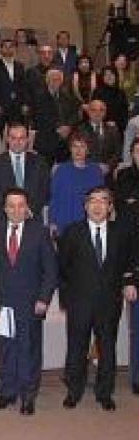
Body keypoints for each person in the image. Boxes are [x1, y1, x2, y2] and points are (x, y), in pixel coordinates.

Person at [59, 186, 137, 411]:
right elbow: (62, 268)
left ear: (110, 207)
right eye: (92, 201)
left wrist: (130, 283)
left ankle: (105, 393)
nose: (97, 205)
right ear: (85, 206)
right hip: (79, 301)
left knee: (107, 347)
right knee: (76, 347)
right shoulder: (72, 232)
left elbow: (130, 262)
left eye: (103, 201)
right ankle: (74, 391)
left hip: (109, 301)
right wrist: (66, 299)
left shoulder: (122, 232)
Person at [0, 188, 57, 416]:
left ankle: (28, 395)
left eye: (21, 205)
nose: (16, 210)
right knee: (6, 348)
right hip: (3, 302)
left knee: (28, 347)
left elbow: (51, 270)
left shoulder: (40, 232)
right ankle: (7, 391)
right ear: (5, 208)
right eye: (11, 205)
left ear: (27, 208)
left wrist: (44, 298)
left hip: (31, 302)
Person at [0, 122, 50, 223]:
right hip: (4, 218)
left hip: (32, 217)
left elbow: (44, 191)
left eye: (22, 138)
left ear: (28, 139)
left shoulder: (40, 162)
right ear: (7, 139)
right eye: (13, 138)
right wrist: (12, 211)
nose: (17, 142)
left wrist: (29, 211)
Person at [115, 139, 139, 394]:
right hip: (136, 269)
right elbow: (126, 237)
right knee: (137, 331)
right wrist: (129, 278)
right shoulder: (124, 177)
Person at [49, 133, 104, 236]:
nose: (78, 150)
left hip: (89, 224)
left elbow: (101, 199)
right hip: (64, 224)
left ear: (88, 150)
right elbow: (54, 198)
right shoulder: (61, 170)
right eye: (75, 146)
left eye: (82, 146)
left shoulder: (96, 171)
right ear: (70, 149)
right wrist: (52, 222)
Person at [31, 68, 82, 165]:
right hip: (46, 141)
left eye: (58, 79)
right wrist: (58, 128)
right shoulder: (39, 97)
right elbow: (38, 118)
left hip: (65, 142)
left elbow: (75, 114)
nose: (56, 82)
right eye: (53, 79)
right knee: (45, 172)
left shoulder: (67, 96)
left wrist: (68, 127)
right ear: (47, 81)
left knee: (64, 171)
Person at [0, 39, 28, 133]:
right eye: (5, 46)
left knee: (16, 131)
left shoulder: (20, 66)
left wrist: (25, 103)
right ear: (1, 49)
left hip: (17, 106)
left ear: (14, 49)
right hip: (1, 105)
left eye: (11, 46)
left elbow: (24, 86)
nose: (8, 49)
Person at [76, 98, 122, 173]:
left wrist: (108, 166)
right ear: (88, 112)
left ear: (105, 113)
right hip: (86, 171)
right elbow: (77, 152)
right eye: (93, 110)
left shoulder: (113, 130)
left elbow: (118, 152)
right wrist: (93, 167)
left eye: (101, 110)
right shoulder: (79, 130)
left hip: (108, 173)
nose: (98, 113)